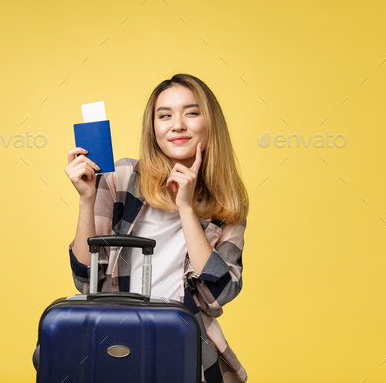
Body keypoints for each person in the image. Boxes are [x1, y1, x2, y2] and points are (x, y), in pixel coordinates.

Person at [65, 73, 249, 383]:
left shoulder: (227, 202)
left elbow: (218, 295)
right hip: (115, 340)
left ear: (209, 123)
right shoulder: (121, 178)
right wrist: (86, 199)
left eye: (191, 112)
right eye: (165, 116)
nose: (177, 124)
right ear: (154, 129)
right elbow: (85, 279)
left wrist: (187, 208)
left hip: (185, 345)